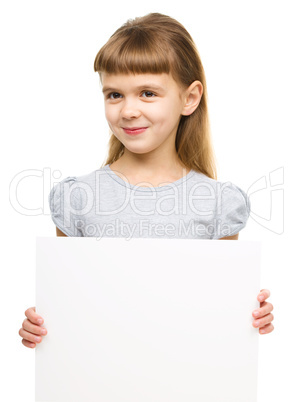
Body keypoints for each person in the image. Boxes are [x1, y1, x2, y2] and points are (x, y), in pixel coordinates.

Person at [19, 12, 274, 349]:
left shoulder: (217, 204)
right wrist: (40, 325)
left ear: (189, 98)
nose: (128, 110)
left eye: (148, 93)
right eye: (114, 95)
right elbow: (69, 302)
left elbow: (217, 309)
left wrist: (248, 317)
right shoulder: (77, 198)